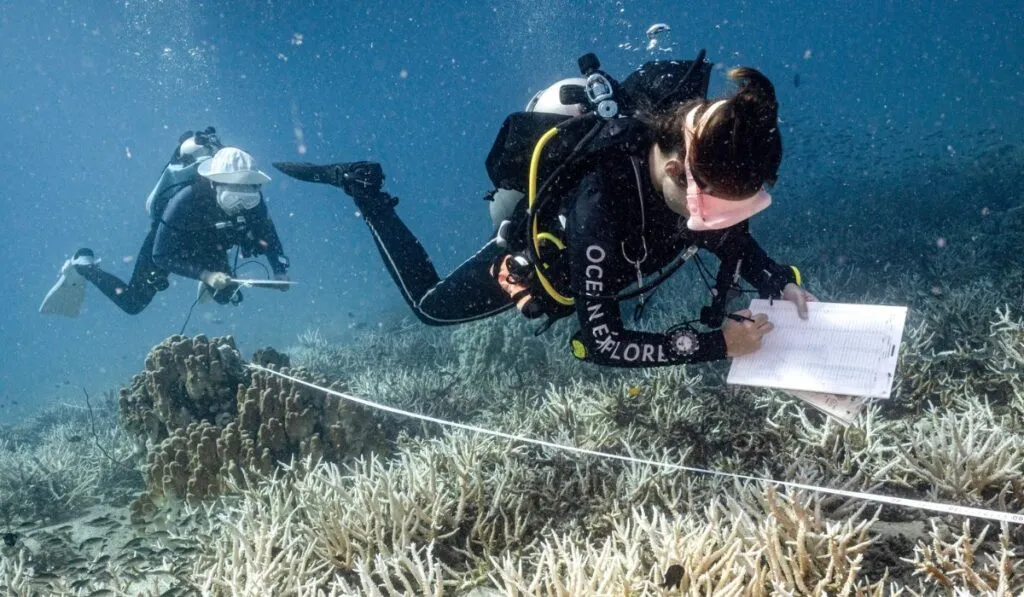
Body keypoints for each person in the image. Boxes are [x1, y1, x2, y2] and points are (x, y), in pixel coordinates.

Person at [275, 54, 815, 367]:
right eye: (714, 208)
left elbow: (728, 238)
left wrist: (776, 280)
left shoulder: (708, 168)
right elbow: (600, 342)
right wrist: (718, 344)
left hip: (628, 235)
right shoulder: (601, 202)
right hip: (556, 252)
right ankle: (362, 189)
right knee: (430, 307)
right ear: (676, 172)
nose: (720, 223)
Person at [40, 130, 291, 317]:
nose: (241, 204)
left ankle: (210, 281)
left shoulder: (254, 200)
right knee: (133, 303)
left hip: (210, 243)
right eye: (234, 197)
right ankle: (82, 266)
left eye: (247, 197)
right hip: (172, 244)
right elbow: (160, 255)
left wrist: (279, 270)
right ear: (214, 183)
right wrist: (207, 274)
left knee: (228, 296)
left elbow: (267, 232)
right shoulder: (186, 199)